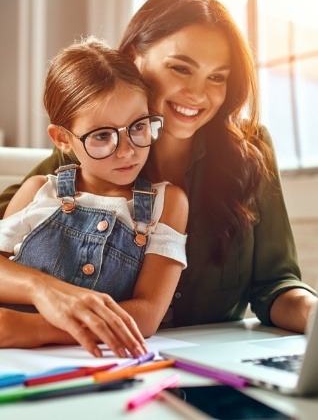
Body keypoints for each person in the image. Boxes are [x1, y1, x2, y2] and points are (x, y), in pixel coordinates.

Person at [0, 0, 316, 336]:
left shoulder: (252, 148)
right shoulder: (88, 154)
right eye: (181, 68)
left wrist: (312, 311)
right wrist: (44, 294)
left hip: (218, 365)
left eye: (217, 77)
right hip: (107, 361)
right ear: (134, 56)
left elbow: (276, 286)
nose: (198, 95)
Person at [0, 36, 188, 357]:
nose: (128, 151)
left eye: (138, 126)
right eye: (102, 136)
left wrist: (32, 330)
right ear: (62, 138)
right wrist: (37, 292)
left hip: (92, 359)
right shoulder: (37, 192)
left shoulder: (166, 203)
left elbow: (148, 312)